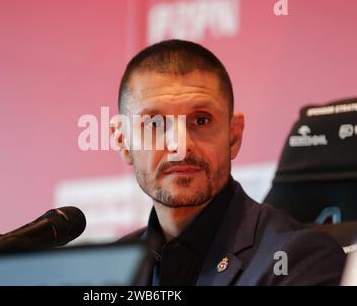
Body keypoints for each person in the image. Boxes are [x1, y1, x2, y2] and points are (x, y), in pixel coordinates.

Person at [111, 39, 345, 285]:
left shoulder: (299, 259)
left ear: (234, 135)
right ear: (123, 142)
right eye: (155, 123)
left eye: (201, 120)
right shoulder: (109, 267)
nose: (180, 145)